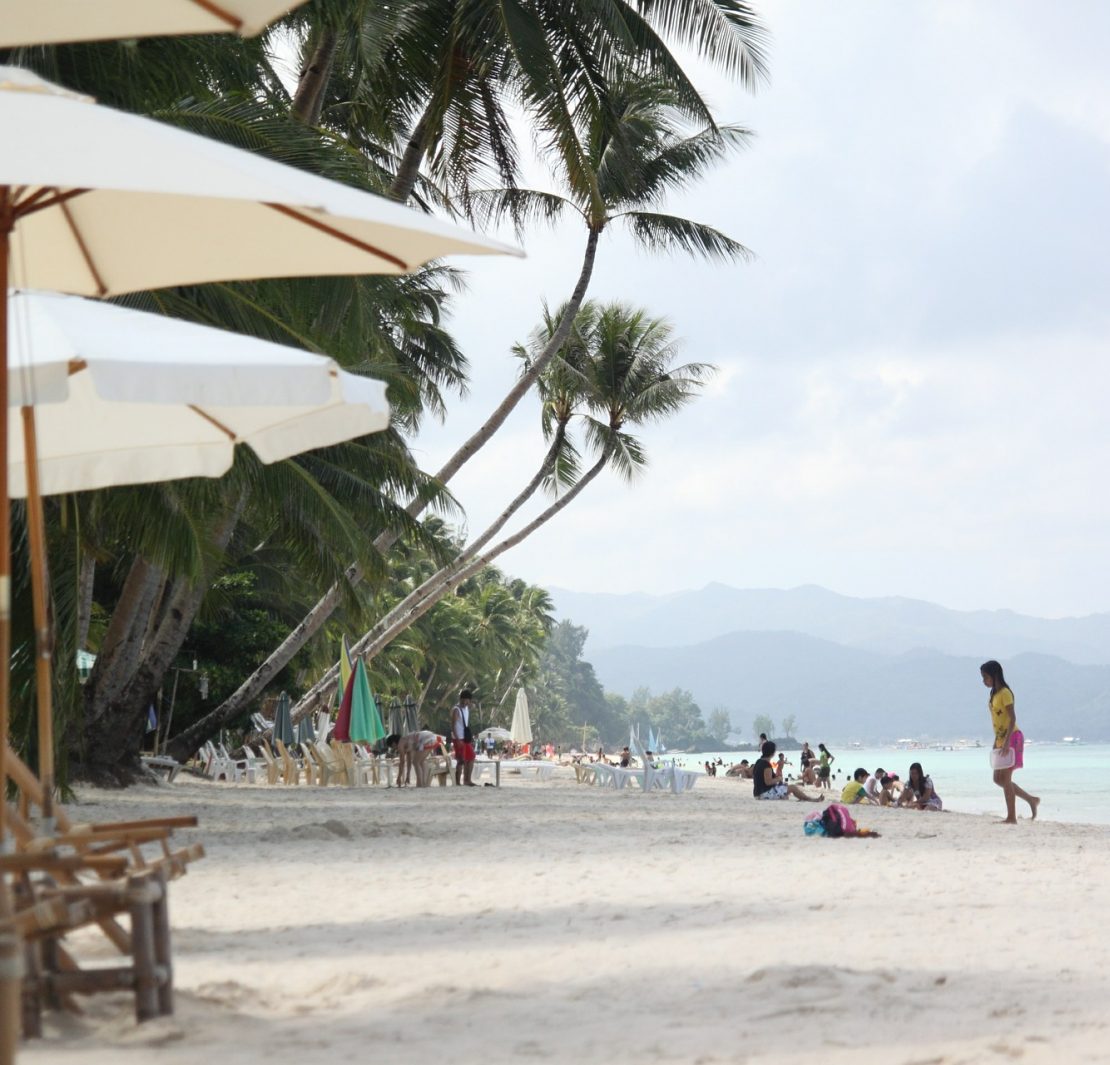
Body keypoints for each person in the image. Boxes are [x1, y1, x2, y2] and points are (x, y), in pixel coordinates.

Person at [980, 660, 1040, 823]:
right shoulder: (994, 694)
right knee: (997, 779)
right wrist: (996, 741)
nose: (984, 681)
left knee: (1005, 779)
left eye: (985, 677)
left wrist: (1006, 742)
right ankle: (1031, 799)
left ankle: (1012, 817)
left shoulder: (1005, 693)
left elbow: (1012, 718)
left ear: (994, 675)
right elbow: (999, 721)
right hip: (1001, 739)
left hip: (1012, 738)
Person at [752, 741, 823, 802]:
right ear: (772, 752)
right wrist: (778, 779)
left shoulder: (759, 761)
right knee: (792, 787)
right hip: (764, 794)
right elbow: (768, 782)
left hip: (758, 793)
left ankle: (787, 797)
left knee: (785, 789)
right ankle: (809, 799)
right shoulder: (766, 765)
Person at [450, 689, 477, 787]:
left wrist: (470, 704)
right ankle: (457, 782)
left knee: (471, 757)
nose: (467, 702)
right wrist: (457, 739)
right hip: (458, 738)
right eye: (466, 700)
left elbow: (473, 706)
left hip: (465, 738)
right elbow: (453, 726)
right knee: (460, 760)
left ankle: (467, 780)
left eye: (468, 701)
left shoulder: (466, 708)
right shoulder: (456, 710)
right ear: (462, 699)